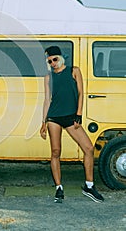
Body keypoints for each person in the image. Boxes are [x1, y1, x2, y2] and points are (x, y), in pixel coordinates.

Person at [40, 46, 104, 203]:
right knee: (55, 152)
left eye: (55, 59)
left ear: (61, 58)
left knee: (88, 148)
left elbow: (81, 93)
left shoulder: (74, 71)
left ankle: (89, 186)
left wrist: (79, 115)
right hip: (53, 117)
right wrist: (43, 122)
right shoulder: (48, 77)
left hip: (71, 117)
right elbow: (47, 100)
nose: (53, 63)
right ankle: (59, 188)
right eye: (49, 61)